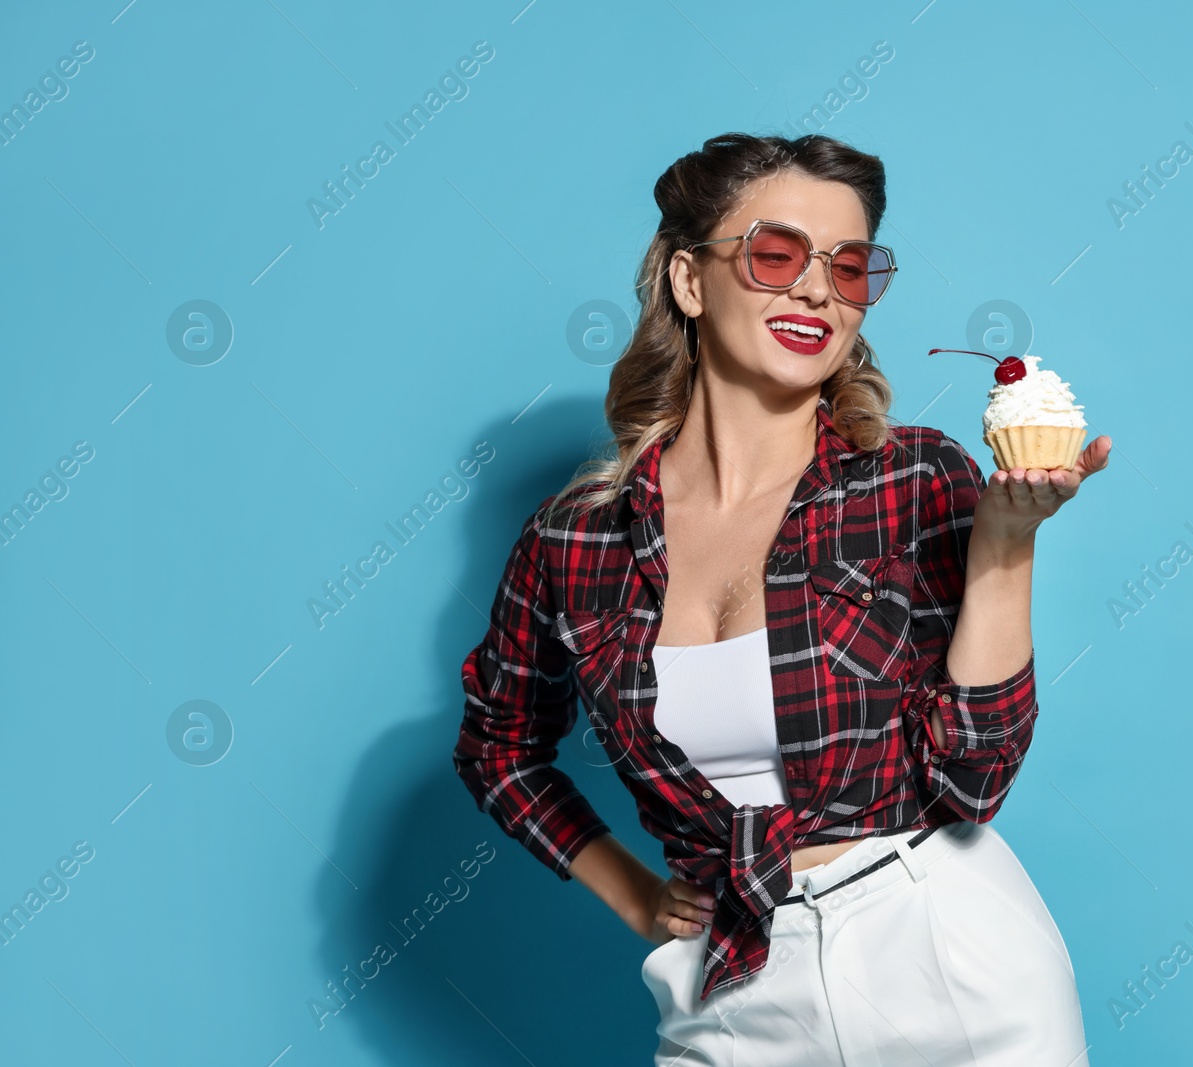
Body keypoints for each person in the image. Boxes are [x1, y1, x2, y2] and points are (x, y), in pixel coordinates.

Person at [454, 130, 1109, 1065]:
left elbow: (975, 781)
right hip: (731, 979)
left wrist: (1006, 545)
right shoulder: (575, 539)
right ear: (689, 279)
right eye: (775, 254)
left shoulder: (916, 478)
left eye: (848, 268)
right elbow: (500, 747)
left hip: (943, 947)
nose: (815, 290)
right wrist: (636, 894)